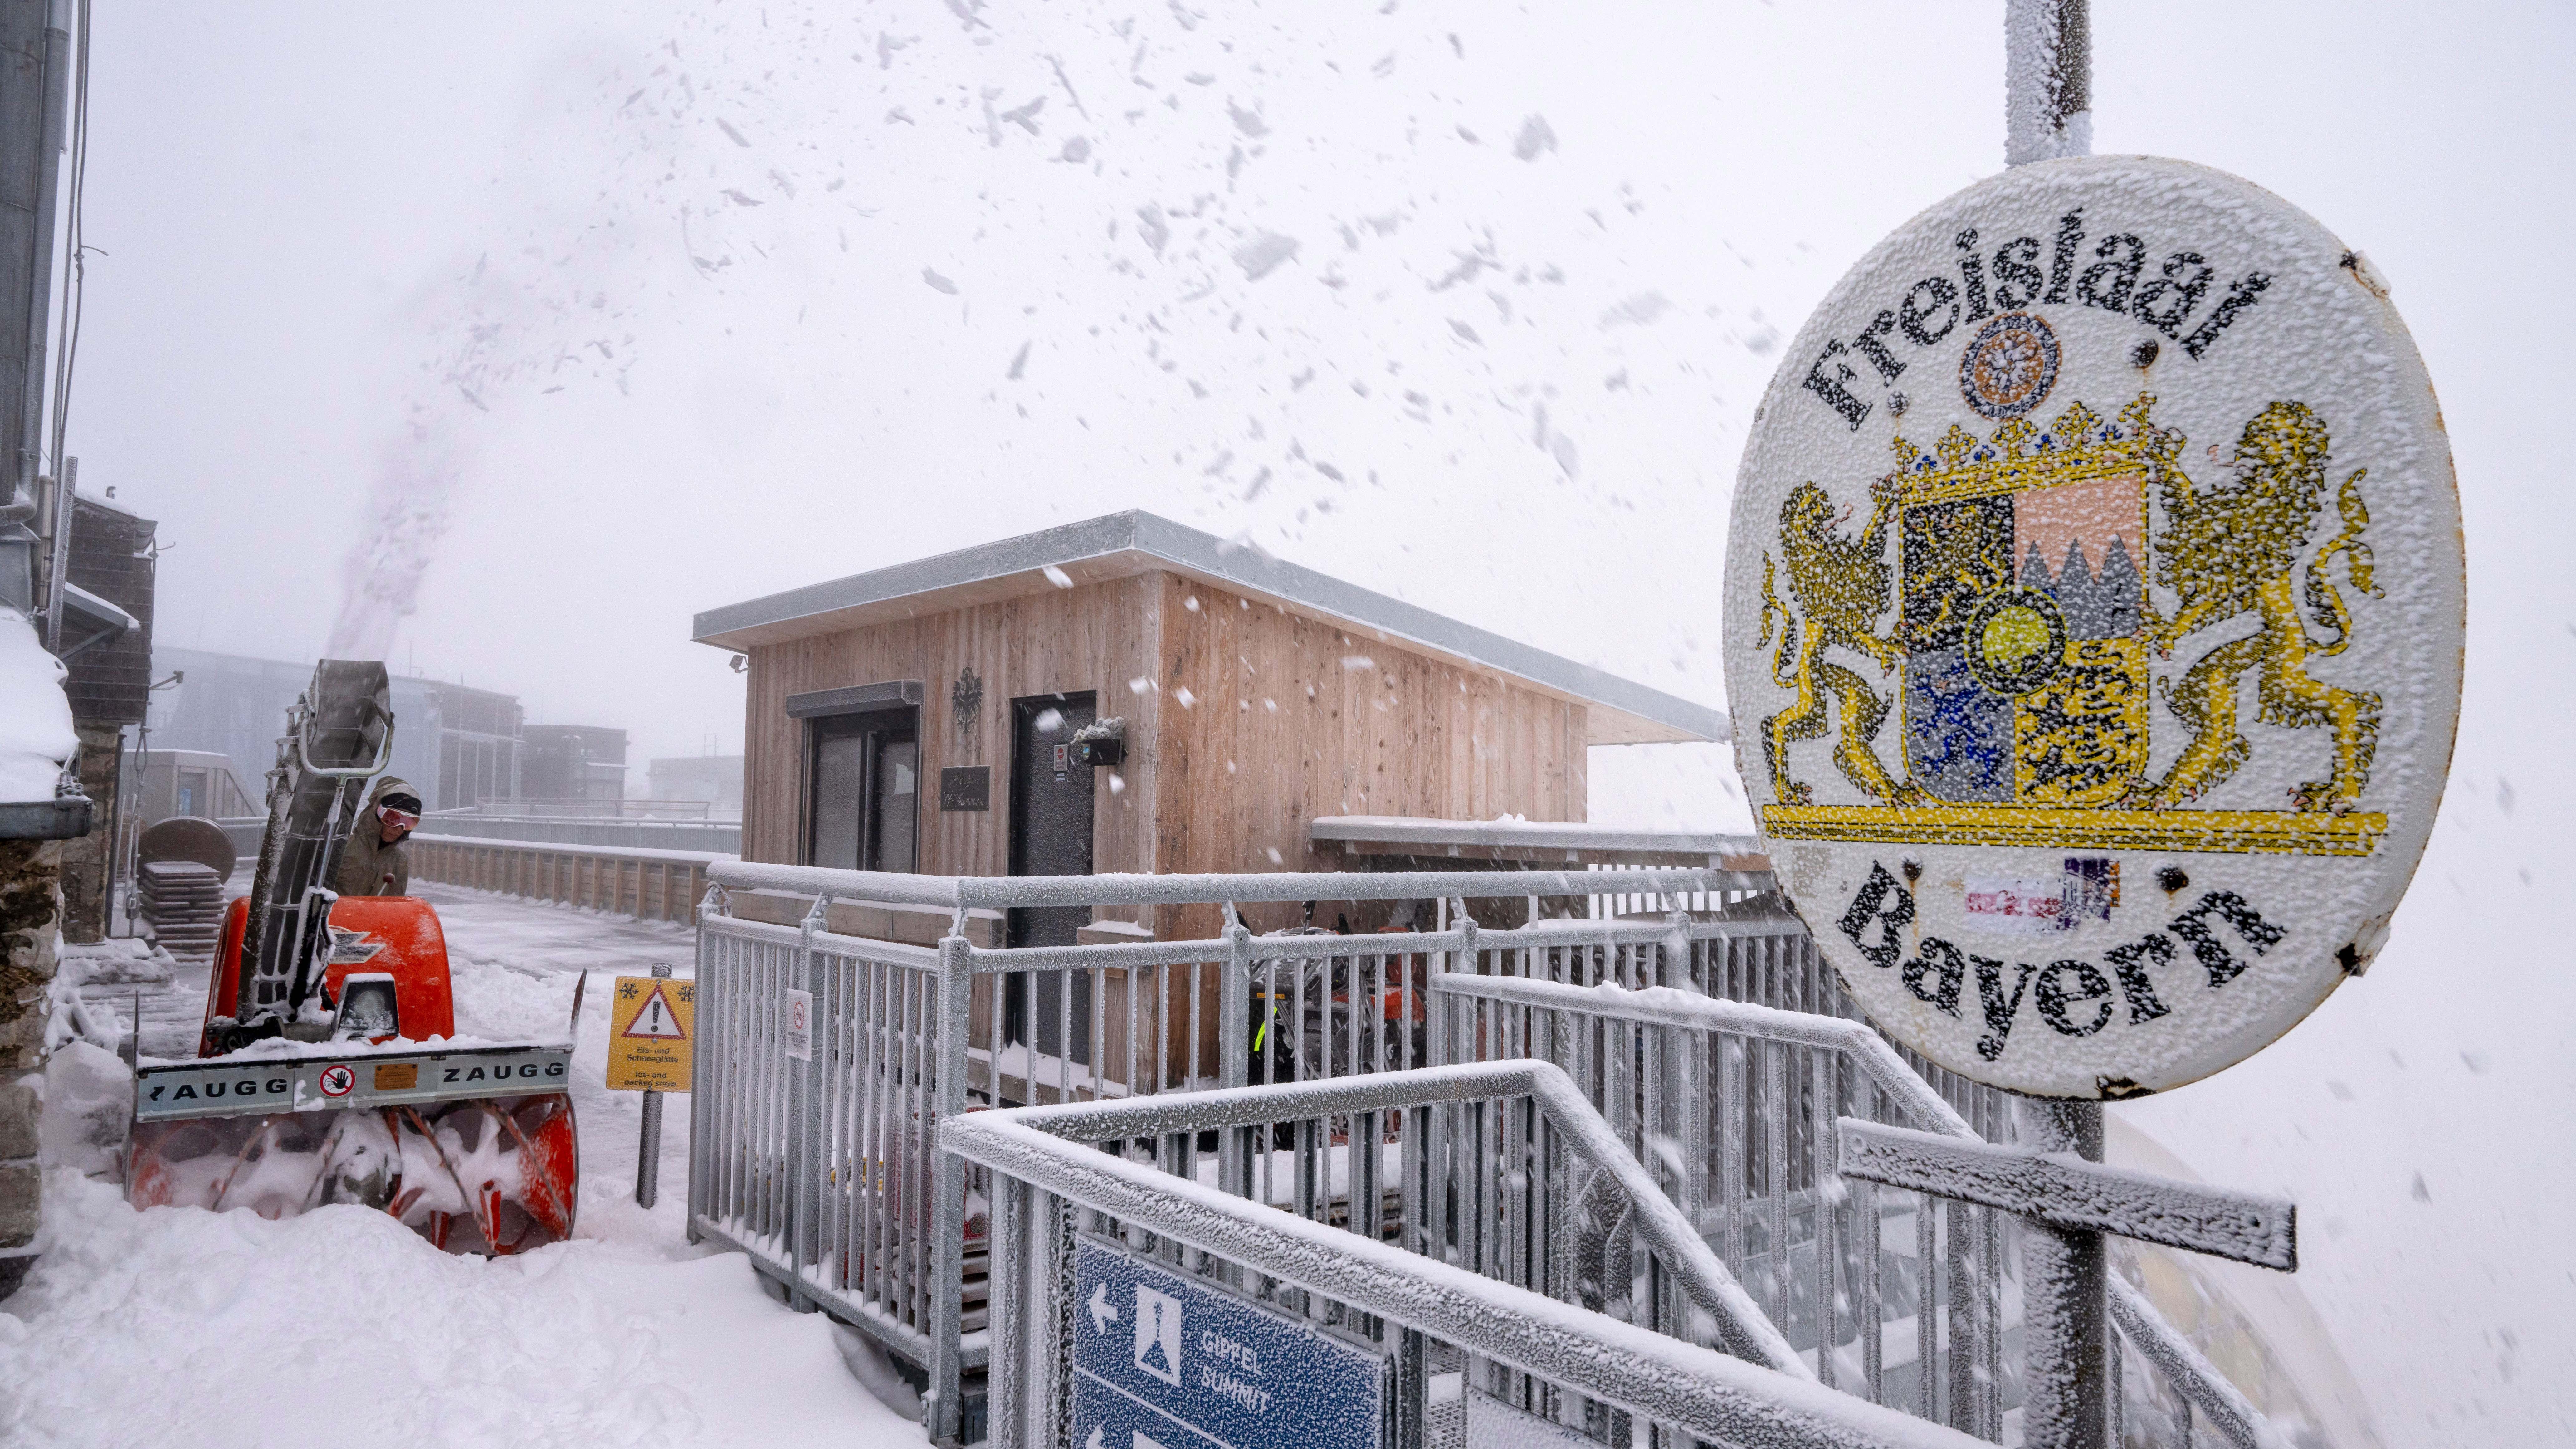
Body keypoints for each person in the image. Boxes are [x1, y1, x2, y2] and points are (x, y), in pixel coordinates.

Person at [334, 777, 422, 897]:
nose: (399, 828)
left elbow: (395, 909)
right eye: (392, 818)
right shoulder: (341, 846)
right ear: (376, 813)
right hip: (333, 916)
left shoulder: (399, 862)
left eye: (408, 823)